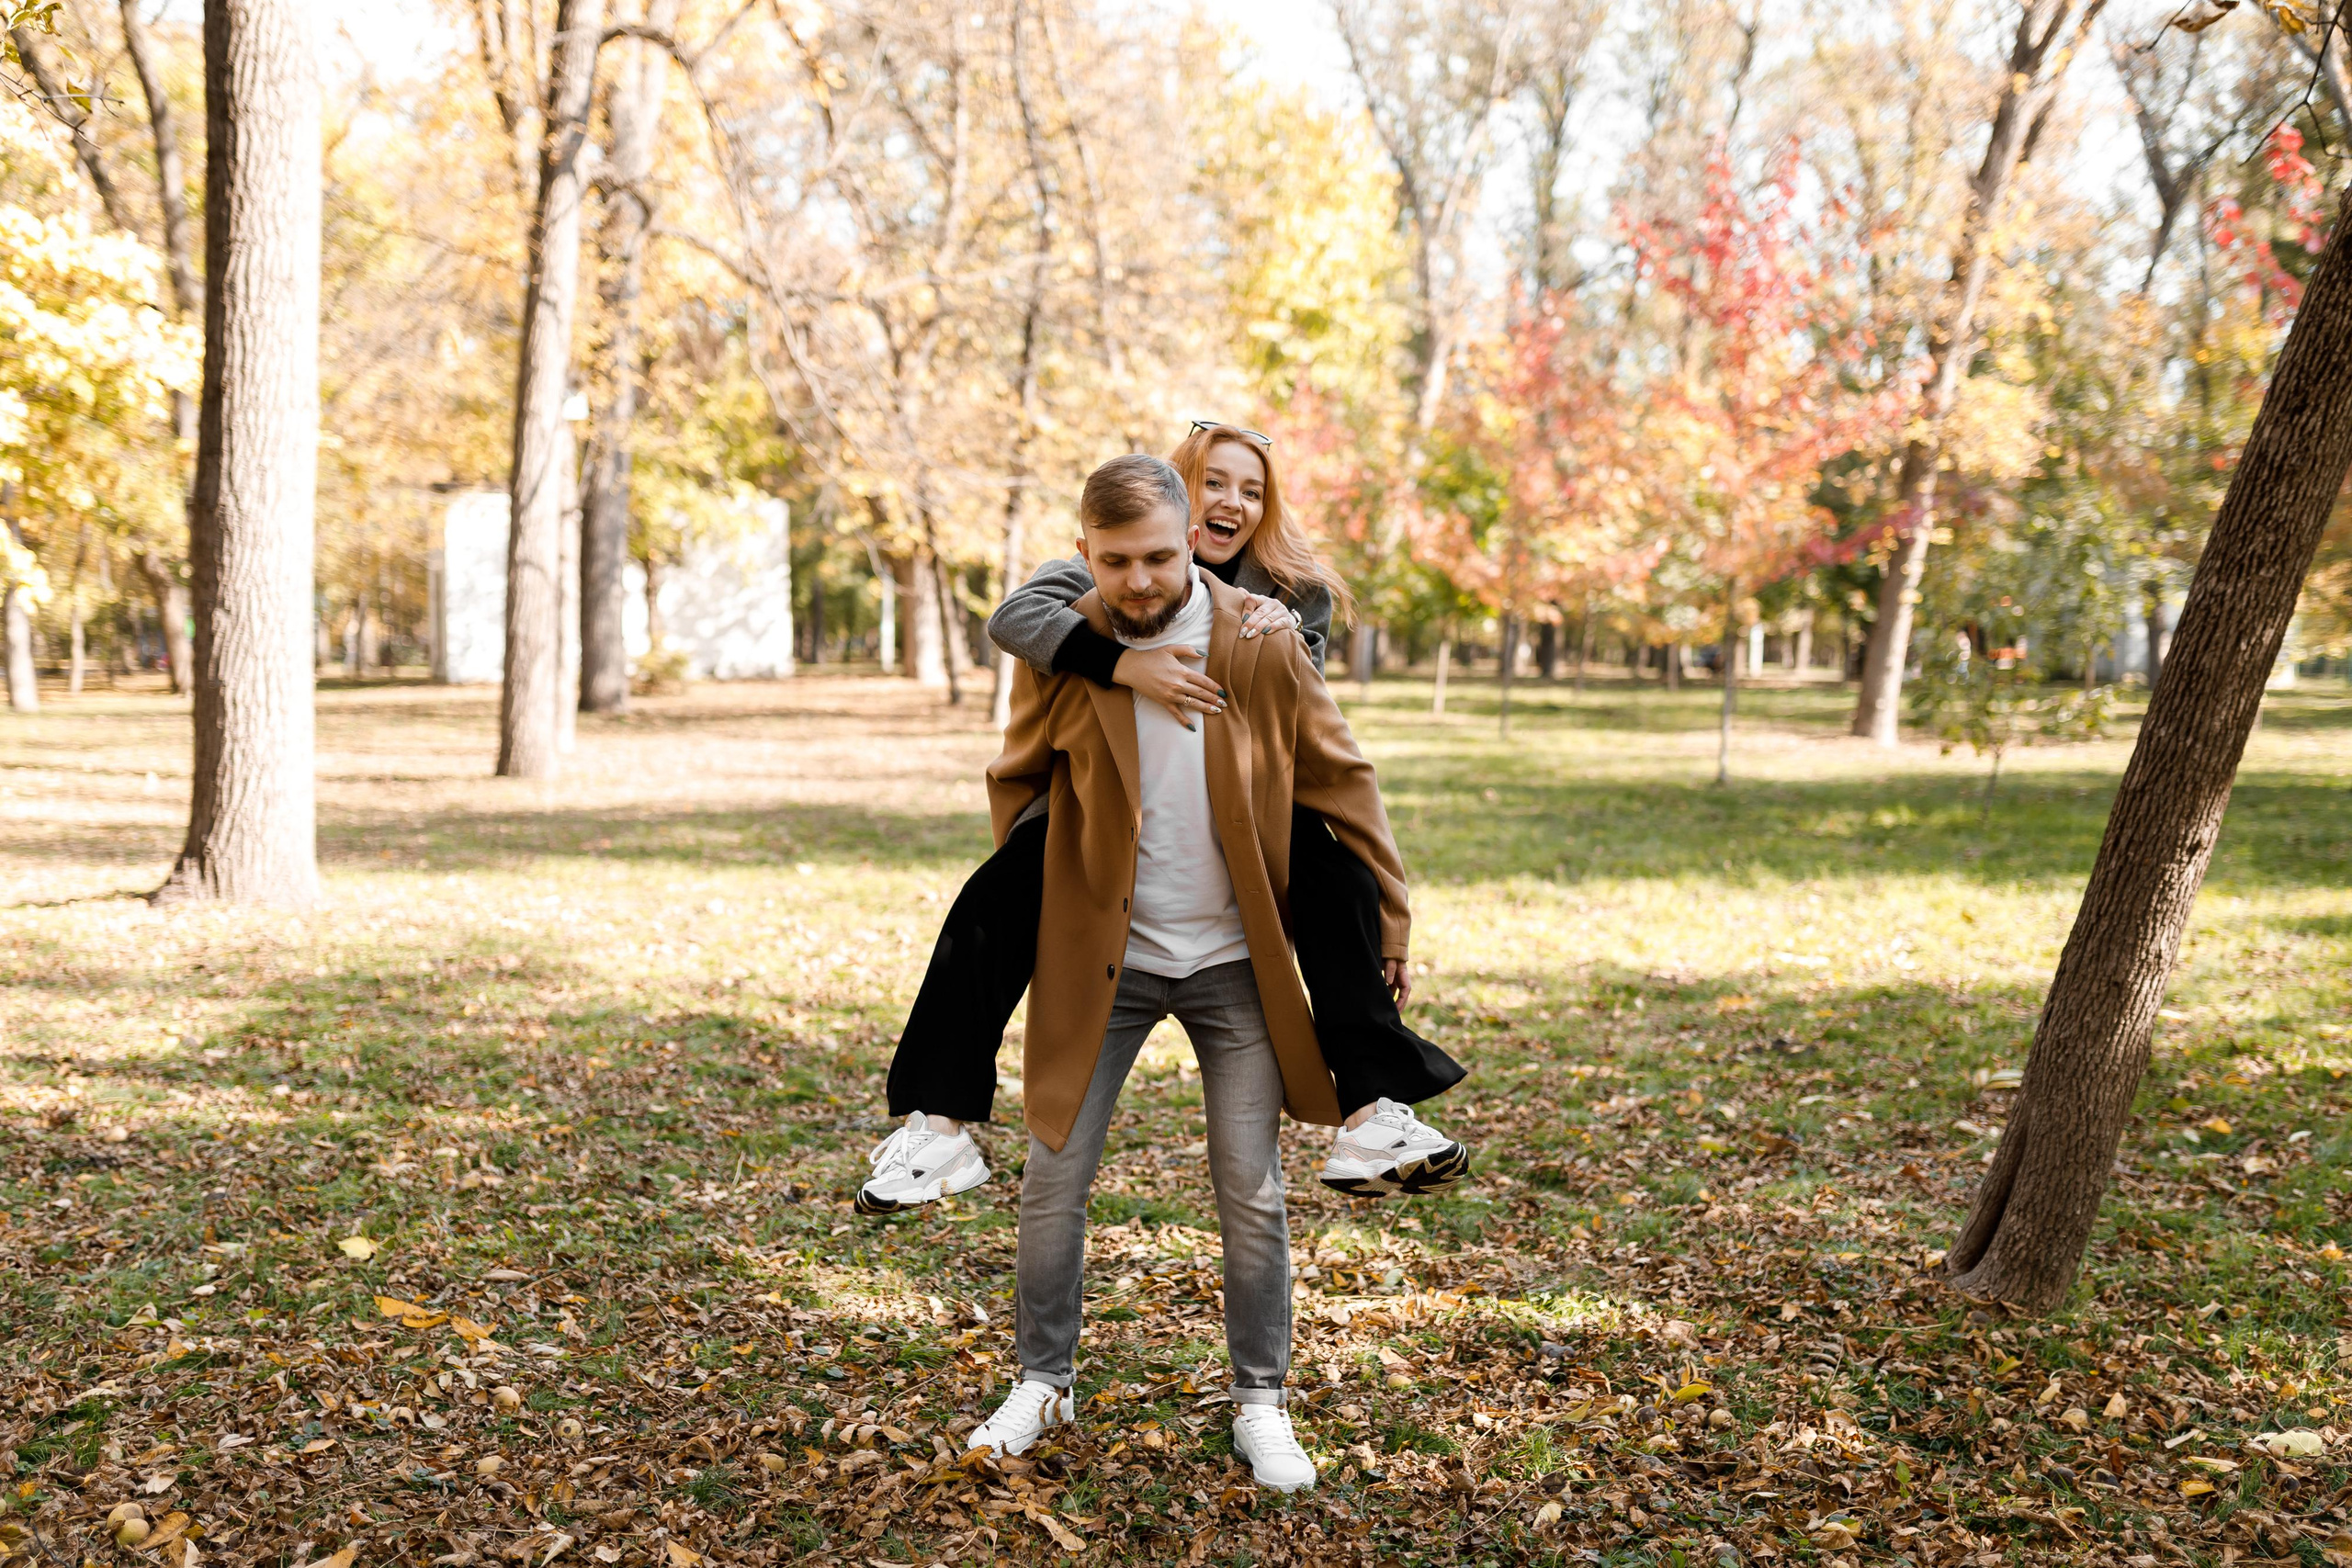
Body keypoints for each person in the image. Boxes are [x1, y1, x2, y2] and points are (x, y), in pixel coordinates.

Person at [859, 422, 1466, 1215]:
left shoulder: (1285, 600)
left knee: (1335, 878)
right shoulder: (1097, 570)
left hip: (1247, 814)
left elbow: (1314, 738)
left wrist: (1393, 915)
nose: (1232, 501)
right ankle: (936, 1123)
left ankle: (1374, 1110)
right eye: (1216, 481)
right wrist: (1123, 663)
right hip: (1103, 817)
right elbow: (1014, 626)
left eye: (1251, 490)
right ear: (1181, 494)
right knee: (994, 897)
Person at [957, 454, 1418, 1489]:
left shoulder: (1258, 639)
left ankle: (1262, 1400)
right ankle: (1043, 1378)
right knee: (1052, 1180)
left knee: (1249, 1191)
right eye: (1114, 561)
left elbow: (1343, 775)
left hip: (1230, 965)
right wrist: (1048, 901)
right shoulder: (1069, 650)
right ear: (1084, 554)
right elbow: (1017, 776)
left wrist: (1389, 912)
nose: (1138, 580)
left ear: (1190, 545)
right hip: (1104, 965)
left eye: (1157, 557)